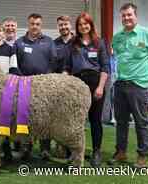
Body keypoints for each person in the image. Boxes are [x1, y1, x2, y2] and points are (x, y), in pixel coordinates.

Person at [110, 3, 148, 168]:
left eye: (129, 15)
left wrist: (147, 74)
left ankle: (142, 155)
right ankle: (121, 152)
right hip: (120, 85)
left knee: (141, 123)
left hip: (139, 86)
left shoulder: (147, 34)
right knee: (121, 122)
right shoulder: (117, 37)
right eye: (124, 15)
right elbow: (117, 57)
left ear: (135, 16)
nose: (126, 18)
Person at [64, 12, 109, 167]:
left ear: (91, 24)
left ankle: (96, 152)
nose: (83, 26)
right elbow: (67, 67)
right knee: (75, 121)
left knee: (95, 120)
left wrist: (100, 87)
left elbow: (105, 67)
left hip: (95, 83)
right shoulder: (72, 43)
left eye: (86, 23)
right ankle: (75, 152)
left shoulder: (100, 43)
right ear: (77, 27)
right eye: (80, 24)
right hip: (76, 84)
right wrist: (65, 83)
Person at [14, 13, 57, 159]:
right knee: (25, 116)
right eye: (32, 23)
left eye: (37, 24)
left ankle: (45, 148)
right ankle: (26, 147)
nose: (35, 26)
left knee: (45, 117)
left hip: (44, 86)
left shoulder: (49, 41)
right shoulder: (19, 42)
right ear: (28, 24)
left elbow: (53, 62)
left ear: (41, 25)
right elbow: (15, 64)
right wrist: (22, 79)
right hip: (24, 86)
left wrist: (45, 78)